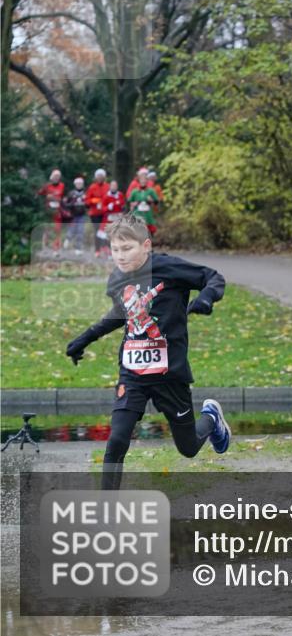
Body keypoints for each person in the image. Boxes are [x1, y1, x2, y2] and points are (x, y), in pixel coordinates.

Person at [65, 213, 230, 490]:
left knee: (188, 448)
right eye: (115, 249)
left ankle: (211, 418)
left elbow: (213, 277)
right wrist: (86, 337)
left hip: (170, 373)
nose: (120, 256)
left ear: (146, 246)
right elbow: (121, 313)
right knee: (117, 440)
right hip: (132, 374)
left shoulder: (167, 267)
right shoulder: (117, 279)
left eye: (127, 248)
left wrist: (206, 297)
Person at [98, 181, 127, 258]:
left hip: (118, 219)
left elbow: (123, 205)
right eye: (112, 186)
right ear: (110, 187)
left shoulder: (120, 195)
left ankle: (118, 253)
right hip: (108, 220)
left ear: (117, 187)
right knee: (107, 237)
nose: (114, 187)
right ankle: (108, 252)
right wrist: (108, 207)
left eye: (115, 186)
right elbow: (102, 209)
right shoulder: (106, 196)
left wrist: (123, 210)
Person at [86, 169, 111, 256]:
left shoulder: (108, 186)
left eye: (101, 176)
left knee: (105, 230)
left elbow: (111, 197)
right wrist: (95, 201)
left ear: (104, 177)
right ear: (96, 177)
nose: (100, 178)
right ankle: (97, 250)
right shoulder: (92, 187)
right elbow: (87, 200)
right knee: (97, 231)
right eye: (98, 176)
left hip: (105, 213)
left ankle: (105, 247)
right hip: (95, 213)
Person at [39, 169, 65, 250]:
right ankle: (45, 244)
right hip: (48, 210)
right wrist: (47, 196)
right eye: (55, 176)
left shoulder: (62, 185)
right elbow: (40, 193)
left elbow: (63, 197)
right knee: (47, 228)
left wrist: (56, 198)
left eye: (58, 176)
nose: (57, 177)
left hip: (57, 210)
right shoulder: (47, 186)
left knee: (58, 228)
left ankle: (56, 247)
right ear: (52, 177)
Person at [128, 171, 160, 235]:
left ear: (147, 181)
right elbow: (129, 202)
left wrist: (151, 201)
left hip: (148, 216)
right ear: (139, 181)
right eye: (142, 179)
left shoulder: (151, 191)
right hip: (138, 214)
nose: (143, 181)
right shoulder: (135, 191)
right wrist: (133, 204)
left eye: (145, 179)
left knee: (149, 233)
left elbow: (156, 201)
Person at [64, 177, 89, 254]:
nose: (79, 185)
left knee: (80, 231)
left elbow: (88, 204)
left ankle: (78, 248)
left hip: (82, 215)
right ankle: (68, 239)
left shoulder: (85, 193)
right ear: (75, 184)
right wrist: (72, 204)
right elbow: (66, 204)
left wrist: (86, 205)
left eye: (80, 184)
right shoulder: (71, 193)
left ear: (82, 184)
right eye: (77, 184)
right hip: (73, 215)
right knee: (72, 230)